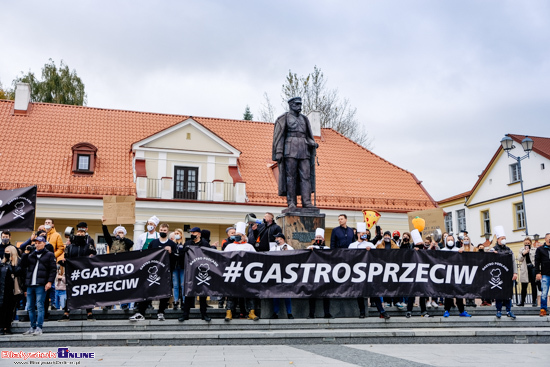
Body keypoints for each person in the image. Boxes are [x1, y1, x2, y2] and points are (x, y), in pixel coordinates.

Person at [272, 96, 317, 209]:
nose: (299, 107)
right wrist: (279, 151)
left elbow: (308, 135)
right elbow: (280, 136)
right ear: (291, 105)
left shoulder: (304, 119)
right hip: (290, 149)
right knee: (290, 177)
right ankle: (291, 202)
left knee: (306, 176)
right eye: (297, 104)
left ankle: (306, 202)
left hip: (304, 149)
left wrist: (313, 143)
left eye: (300, 104)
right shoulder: (284, 118)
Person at [130, 223, 176, 322]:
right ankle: (141, 313)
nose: (163, 232)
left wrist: (171, 252)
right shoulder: (153, 243)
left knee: (164, 293)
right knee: (147, 291)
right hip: (153, 272)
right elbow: (148, 256)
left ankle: (161, 312)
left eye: (164, 230)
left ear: (167, 231)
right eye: (161, 230)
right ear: (159, 230)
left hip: (166, 273)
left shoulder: (172, 244)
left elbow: (176, 259)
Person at [59, 222, 97, 321]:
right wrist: (63, 261)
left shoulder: (89, 244)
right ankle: (66, 312)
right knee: (71, 292)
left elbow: (94, 255)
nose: (80, 233)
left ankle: (89, 312)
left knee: (86, 291)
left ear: (85, 233)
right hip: (73, 273)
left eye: (82, 232)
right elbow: (66, 258)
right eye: (78, 232)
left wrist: (92, 257)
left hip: (85, 272)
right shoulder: (70, 246)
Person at [352, 223, 389, 319]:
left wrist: (370, 252)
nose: (365, 235)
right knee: (360, 293)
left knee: (374, 292)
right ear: (358, 234)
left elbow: (376, 257)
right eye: (362, 233)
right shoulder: (352, 245)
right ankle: (362, 312)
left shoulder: (370, 244)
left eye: (365, 233)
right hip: (358, 272)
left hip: (369, 272)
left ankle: (381, 311)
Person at [20, 235, 56, 335]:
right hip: (30, 284)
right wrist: (25, 254)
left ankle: (39, 327)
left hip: (41, 284)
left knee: (40, 305)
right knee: (30, 306)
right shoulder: (31, 254)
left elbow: (53, 270)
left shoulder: (49, 255)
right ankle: (32, 326)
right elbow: (22, 266)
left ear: (44, 243)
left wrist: (49, 282)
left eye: (39, 242)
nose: (37, 244)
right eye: (35, 243)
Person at [224, 222, 259, 321]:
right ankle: (229, 312)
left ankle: (251, 312)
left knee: (249, 293)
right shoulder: (229, 247)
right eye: (236, 235)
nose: (237, 237)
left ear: (244, 237)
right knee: (231, 293)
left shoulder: (249, 246)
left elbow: (256, 258)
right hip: (233, 272)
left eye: (240, 235)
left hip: (246, 273)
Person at [179, 227, 212, 322]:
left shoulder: (205, 244)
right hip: (191, 272)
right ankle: (185, 314)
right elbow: (182, 256)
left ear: (199, 234)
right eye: (191, 232)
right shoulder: (188, 243)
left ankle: (204, 314)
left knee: (203, 293)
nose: (192, 234)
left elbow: (209, 256)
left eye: (194, 232)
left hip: (202, 271)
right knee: (189, 293)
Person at [441, 234, 472, 318]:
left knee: (459, 294)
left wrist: (462, 254)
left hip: (457, 275)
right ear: (445, 241)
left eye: (451, 239)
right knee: (448, 295)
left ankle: (462, 311)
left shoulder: (458, 250)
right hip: (447, 275)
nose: (450, 241)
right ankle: (446, 310)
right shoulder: (442, 251)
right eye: (448, 240)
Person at [490, 226, 518, 320]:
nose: (503, 240)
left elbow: (513, 261)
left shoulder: (508, 250)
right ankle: (498, 311)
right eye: (502, 238)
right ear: (498, 239)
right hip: (498, 276)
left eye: (504, 238)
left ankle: (509, 311)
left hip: (508, 275)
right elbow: (487, 258)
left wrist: (515, 273)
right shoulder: (493, 249)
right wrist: (492, 253)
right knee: (498, 294)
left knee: (508, 294)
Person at [307, 228, 334, 319]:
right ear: (314, 239)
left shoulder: (327, 249)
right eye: (317, 237)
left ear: (323, 239)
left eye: (320, 237)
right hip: (313, 274)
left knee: (326, 294)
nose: (318, 239)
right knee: (312, 295)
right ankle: (311, 313)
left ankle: (327, 313)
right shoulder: (310, 248)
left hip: (324, 274)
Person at [405, 230, 432, 318]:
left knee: (423, 294)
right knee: (411, 293)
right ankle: (409, 310)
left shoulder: (424, 248)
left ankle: (423, 311)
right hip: (412, 273)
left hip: (422, 272)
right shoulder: (410, 247)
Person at [270, 233, 294, 319]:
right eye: (276, 238)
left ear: (283, 239)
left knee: (287, 294)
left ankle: (289, 313)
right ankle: (275, 312)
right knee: (275, 294)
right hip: (275, 272)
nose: (277, 239)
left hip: (286, 272)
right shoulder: (273, 248)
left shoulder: (289, 247)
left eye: (278, 238)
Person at [0, 245, 21, 335]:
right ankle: (1, 327)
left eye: (8, 251)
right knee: (2, 309)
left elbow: (18, 272)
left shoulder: (17, 262)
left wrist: (12, 263)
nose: (6, 253)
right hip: (2, 289)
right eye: (5, 251)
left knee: (10, 310)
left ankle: (7, 327)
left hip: (12, 290)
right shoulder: (2, 263)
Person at [517, 237, 537, 307]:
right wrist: (523, 253)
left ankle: (534, 301)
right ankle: (522, 301)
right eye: (525, 243)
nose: (527, 244)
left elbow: (536, 259)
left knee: (534, 285)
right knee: (524, 286)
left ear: (531, 243)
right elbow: (519, 259)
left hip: (532, 268)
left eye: (528, 243)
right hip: (525, 269)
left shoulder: (535, 250)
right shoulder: (521, 250)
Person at [534, 233, 550, 316]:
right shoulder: (540, 249)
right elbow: (537, 262)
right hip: (545, 274)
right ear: (545, 239)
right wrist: (537, 272)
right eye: (549, 238)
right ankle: (543, 309)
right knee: (544, 293)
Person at [172, 228, 185, 310]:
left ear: (181, 234)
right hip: (175, 266)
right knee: (176, 285)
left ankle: (183, 301)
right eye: (175, 233)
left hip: (183, 266)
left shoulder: (185, 244)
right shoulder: (173, 244)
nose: (176, 234)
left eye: (178, 233)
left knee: (183, 285)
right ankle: (176, 301)